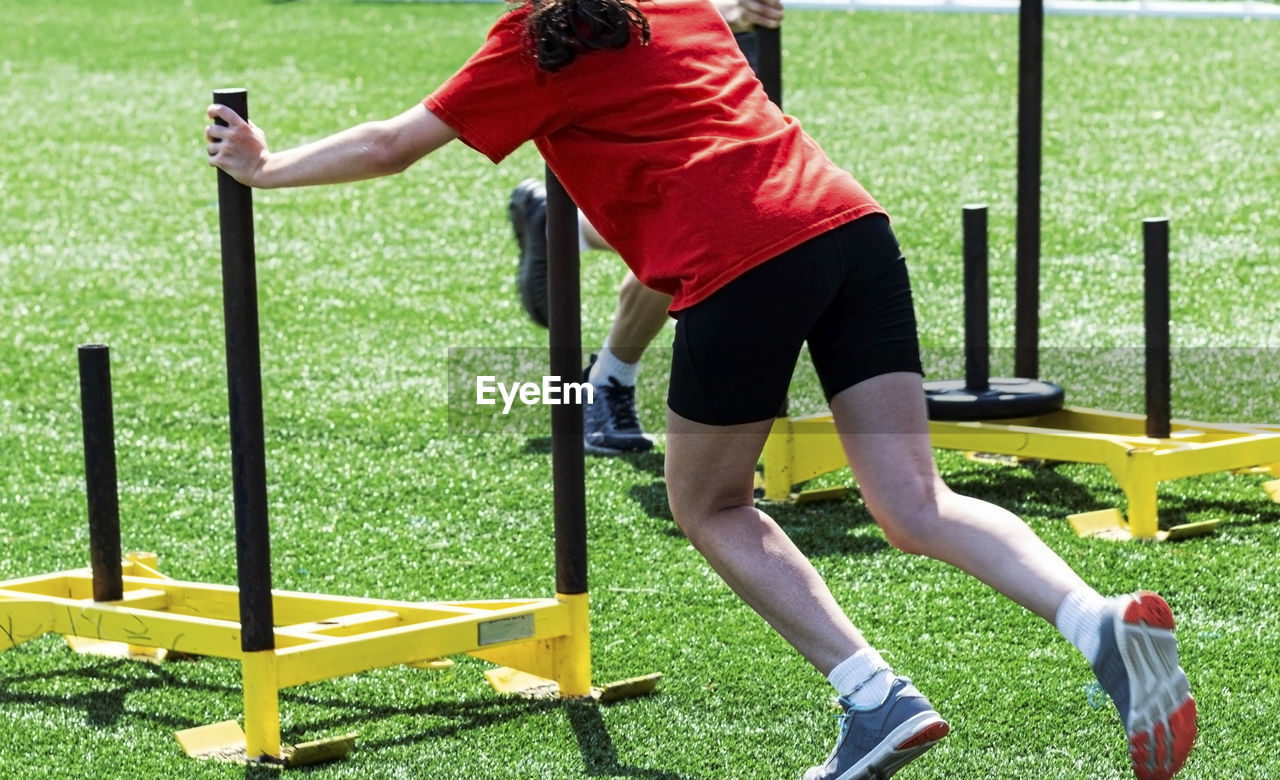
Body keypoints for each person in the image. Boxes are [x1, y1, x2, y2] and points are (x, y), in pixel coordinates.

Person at [204, 0, 1198, 777]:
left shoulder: (528, 49)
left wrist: (267, 165)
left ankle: (873, 697)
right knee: (914, 502)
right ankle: (1092, 619)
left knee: (708, 502)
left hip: (741, 263)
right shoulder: (666, 6)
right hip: (851, 229)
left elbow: (390, 146)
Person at [508, 0, 783, 456]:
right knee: (696, 217)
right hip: (658, 37)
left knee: (718, 218)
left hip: (718, 40)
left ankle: (565, 229)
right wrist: (715, 12)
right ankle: (607, 381)